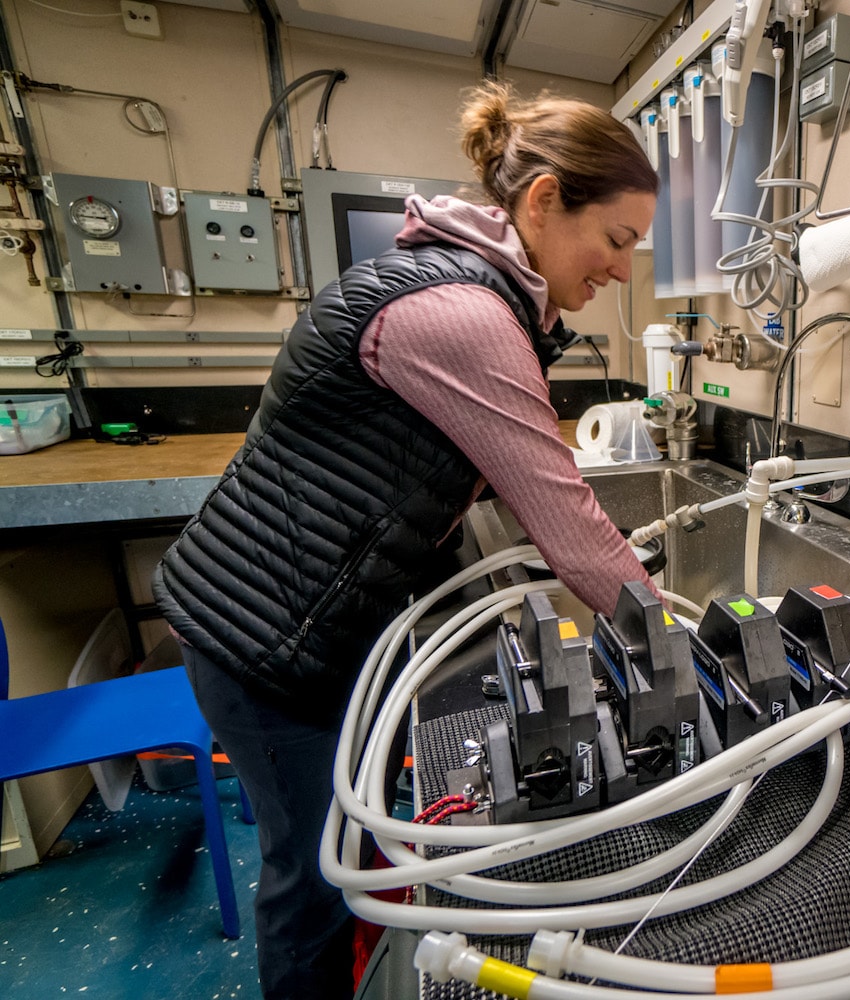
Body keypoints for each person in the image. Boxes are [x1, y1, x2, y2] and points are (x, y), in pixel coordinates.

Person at [152, 81, 660, 999]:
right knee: (312, 876)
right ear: (543, 202)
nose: (623, 270)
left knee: (350, 848)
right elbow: (567, 525)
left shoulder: (467, 287)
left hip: (307, 618)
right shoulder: (463, 316)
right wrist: (682, 644)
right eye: (616, 240)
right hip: (266, 641)